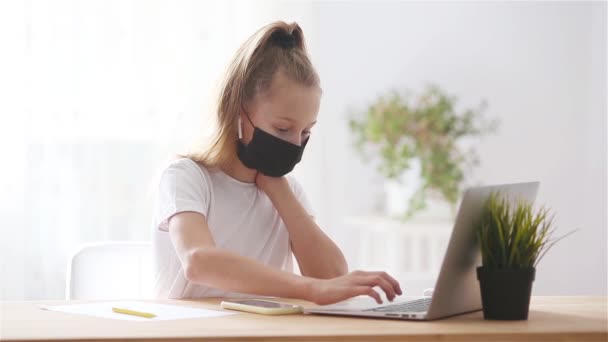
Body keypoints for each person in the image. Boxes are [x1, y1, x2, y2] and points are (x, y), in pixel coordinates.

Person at [152, 21, 401, 305]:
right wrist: (309, 289)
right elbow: (199, 262)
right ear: (238, 113)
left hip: (270, 332)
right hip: (197, 331)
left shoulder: (288, 192)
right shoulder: (186, 176)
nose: (295, 144)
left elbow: (331, 276)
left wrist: (278, 191)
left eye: (306, 132)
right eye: (283, 129)